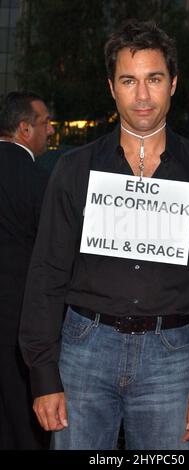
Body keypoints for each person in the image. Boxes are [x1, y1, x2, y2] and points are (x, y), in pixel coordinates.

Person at [19, 20, 189, 450]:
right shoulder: (75, 169)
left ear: (173, 84)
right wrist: (42, 372)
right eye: (129, 80)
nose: (142, 95)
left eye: (154, 79)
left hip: (171, 356)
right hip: (83, 350)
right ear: (112, 87)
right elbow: (47, 272)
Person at [0, 91, 54, 449]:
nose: (50, 130)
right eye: (45, 123)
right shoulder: (39, 181)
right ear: (24, 129)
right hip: (18, 316)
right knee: (19, 411)